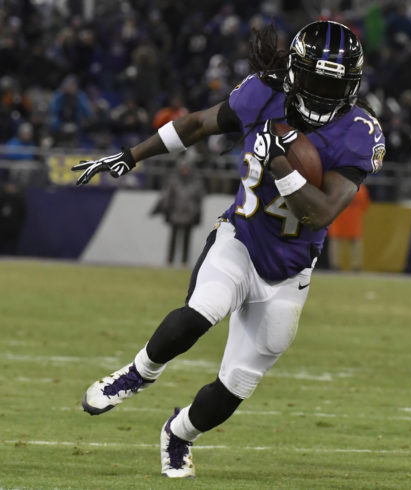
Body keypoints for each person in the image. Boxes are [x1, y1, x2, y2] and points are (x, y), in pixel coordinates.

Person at [72, 21, 385, 478]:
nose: (322, 94)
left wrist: (279, 161)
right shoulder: (263, 93)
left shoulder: (359, 131)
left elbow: (320, 213)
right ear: (296, 72)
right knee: (203, 310)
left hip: (290, 272)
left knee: (237, 384)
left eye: (334, 85)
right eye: (316, 81)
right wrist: (130, 155)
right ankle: (138, 373)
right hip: (241, 239)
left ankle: (178, 433)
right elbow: (197, 124)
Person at [153, 152, 205, 266]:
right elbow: (167, 196)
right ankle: (170, 260)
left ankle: (184, 261)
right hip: (175, 212)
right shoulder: (173, 180)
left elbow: (199, 199)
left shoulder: (196, 182)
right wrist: (166, 210)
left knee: (187, 238)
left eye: (187, 168)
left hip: (190, 213)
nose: (185, 170)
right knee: (173, 237)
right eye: (183, 168)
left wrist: (197, 212)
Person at [327, 183, 371, 271]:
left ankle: (335, 265)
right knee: (355, 242)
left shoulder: (336, 186)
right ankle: (356, 265)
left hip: (339, 218)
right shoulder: (361, 189)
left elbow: (330, 203)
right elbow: (365, 205)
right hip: (354, 219)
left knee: (336, 241)